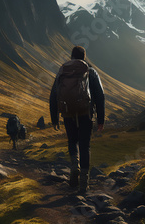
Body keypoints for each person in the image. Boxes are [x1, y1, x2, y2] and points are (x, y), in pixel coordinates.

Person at [50, 46, 105, 193]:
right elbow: (100, 95)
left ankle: (75, 167)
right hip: (86, 114)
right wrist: (101, 119)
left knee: (72, 141)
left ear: (71, 57)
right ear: (84, 57)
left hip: (68, 114)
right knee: (84, 145)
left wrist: (54, 118)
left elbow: (54, 94)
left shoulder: (63, 71)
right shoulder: (91, 72)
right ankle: (83, 184)